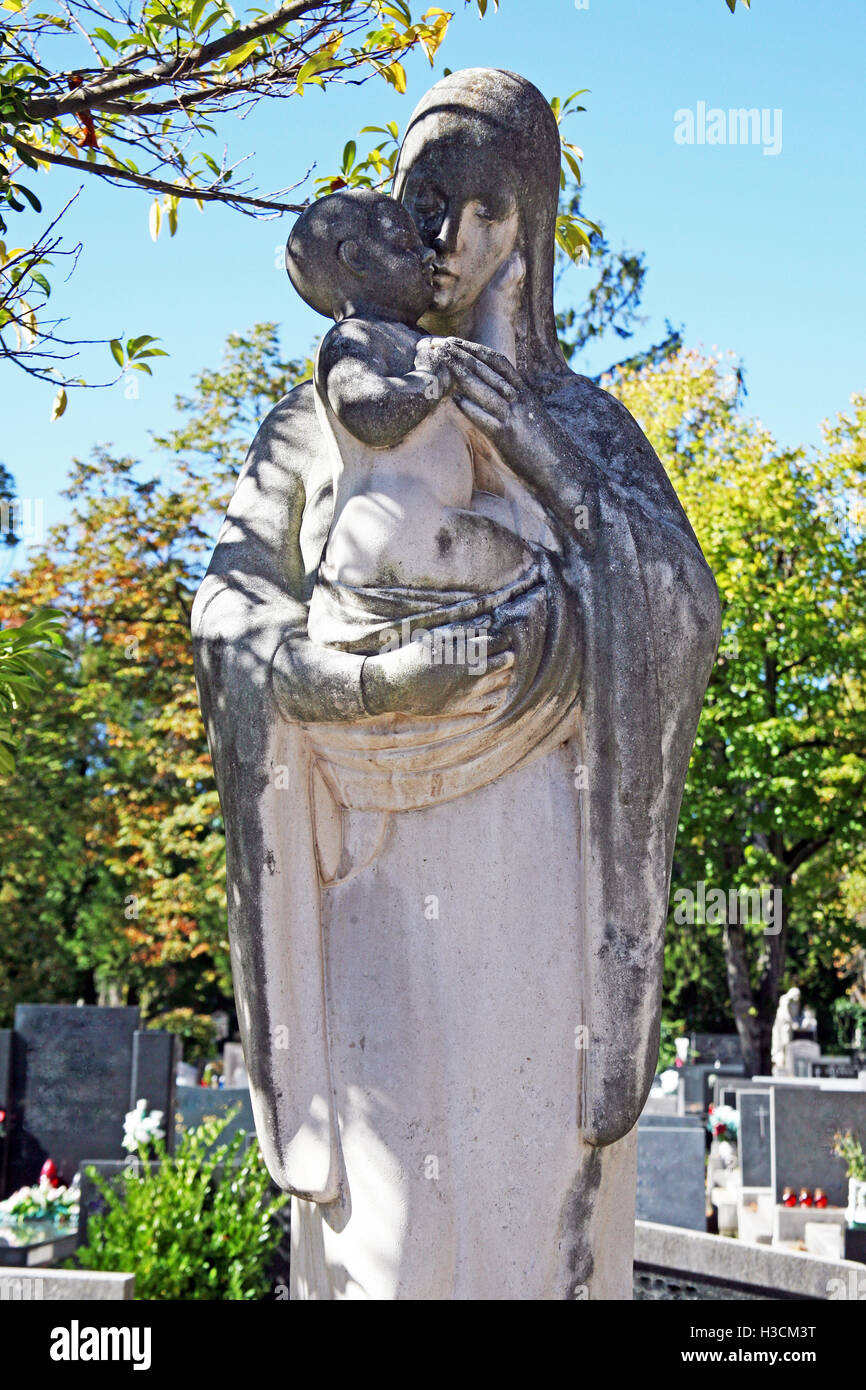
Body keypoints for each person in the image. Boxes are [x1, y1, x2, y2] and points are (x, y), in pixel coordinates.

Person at [192, 69, 721, 1299]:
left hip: (535, 857)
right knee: (388, 1236)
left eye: (481, 208)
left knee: (523, 1202)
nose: (448, 238)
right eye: (425, 200)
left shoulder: (581, 419)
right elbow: (228, 606)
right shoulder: (316, 417)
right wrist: (326, 686)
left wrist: (544, 501)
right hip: (362, 856)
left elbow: (676, 604)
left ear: (525, 224)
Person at [284, 188, 536, 655]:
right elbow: (368, 410)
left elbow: (492, 395)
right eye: (404, 244)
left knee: (534, 557)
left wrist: (497, 308)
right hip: (392, 533)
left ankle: (430, 664)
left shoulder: (413, 342)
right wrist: (433, 379)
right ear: (357, 258)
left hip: (422, 532)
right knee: (543, 577)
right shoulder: (352, 337)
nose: (426, 251)